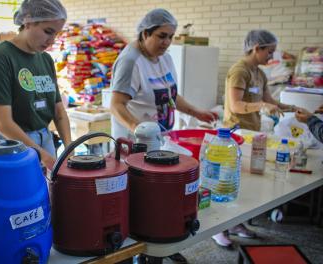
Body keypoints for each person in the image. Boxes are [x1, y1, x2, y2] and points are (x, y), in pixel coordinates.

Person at [110, 8, 216, 264]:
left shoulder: (163, 57)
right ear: (145, 33)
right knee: (142, 201)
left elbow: (170, 94)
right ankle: (141, 251)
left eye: (171, 36)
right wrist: (139, 129)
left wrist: (196, 112)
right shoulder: (130, 61)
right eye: (161, 36)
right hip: (136, 146)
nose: (167, 42)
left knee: (162, 197)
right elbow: (116, 105)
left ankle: (161, 244)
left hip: (162, 140)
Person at [217, 29, 299, 247]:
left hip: (252, 135)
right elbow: (235, 105)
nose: (271, 57)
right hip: (234, 134)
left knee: (246, 183)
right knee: (228, 181)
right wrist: (261, 106)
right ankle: (219, 228)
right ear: (256, 48)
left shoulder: (259, 73)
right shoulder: (239, 71)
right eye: (269, 52)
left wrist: (294, 108)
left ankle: (235, 223)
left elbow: (270, 100)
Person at [0, 0, 71, 171]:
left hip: (43, 138)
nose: (51, 41)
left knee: (46, 194)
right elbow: (3, 123)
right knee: (15, 195)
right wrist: (42, 156)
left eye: (56, 35)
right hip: (10, 143)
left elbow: (58, 111)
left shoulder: (45, 59)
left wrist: (69, 148)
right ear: (28, 21)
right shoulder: (1, 57)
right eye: (48, 32)